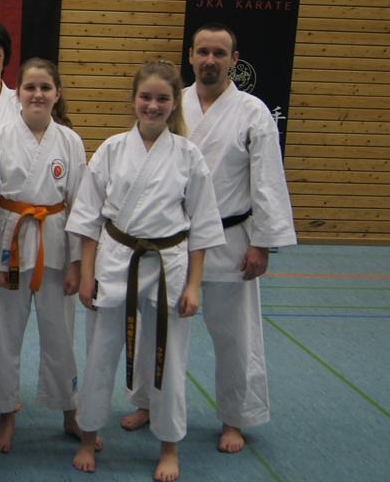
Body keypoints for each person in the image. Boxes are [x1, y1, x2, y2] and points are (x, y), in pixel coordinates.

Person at [120, 24, 296, 454]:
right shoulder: (170, 103)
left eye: (219, 53)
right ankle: (147, 402)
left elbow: (267, 180)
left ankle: (235, 417)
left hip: (231, 239)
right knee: (157, 327)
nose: (210, 60)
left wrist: (262, 242)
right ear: (191, 56)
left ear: (234, 60)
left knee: (235, 335)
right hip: (171, 240)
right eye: (203, 52)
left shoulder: (253, 112)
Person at [66, 60, 225, 482]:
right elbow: (88, 218)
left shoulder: (188, 155)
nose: (153, 106)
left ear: (174, 104)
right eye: (146, 97)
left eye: (162, 99)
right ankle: (88, 437)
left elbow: (203, 225)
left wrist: (194, 285)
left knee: (168, 360)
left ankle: (169, 446)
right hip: (116, 258)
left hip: (169, 263)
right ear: (134, 100)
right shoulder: (112, 149)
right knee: (100, 355)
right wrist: (86, 274)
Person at [0, 58, 92, 453]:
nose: (38, 94)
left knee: (60, 334)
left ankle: (70, 410)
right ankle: (6, 413)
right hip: (10, 244)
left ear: (57, 93)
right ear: (19, 93)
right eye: (30, 87)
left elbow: (81, 205)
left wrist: (78, 263)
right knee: (4, 336)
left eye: (46, 87)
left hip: (56, 245)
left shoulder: (70, 141)